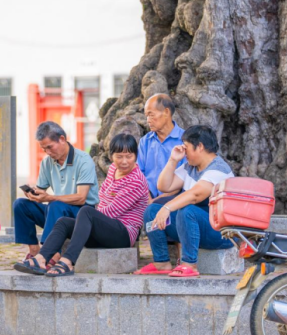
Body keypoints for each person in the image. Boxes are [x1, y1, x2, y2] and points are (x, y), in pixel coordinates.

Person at [14, 134, 149, 277]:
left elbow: (111, 212)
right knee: (64, 222)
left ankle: (67, 262)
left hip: (123, 234)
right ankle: (41, 259)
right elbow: (102, 197)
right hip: (105, 230)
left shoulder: (136, 180)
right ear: (111, 156)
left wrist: (86, 220)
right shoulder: (112, 171)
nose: (124, 161)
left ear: (136, 156)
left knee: (86, 212)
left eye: (129, 156)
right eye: (119, 156)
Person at [135, 125, 235, 277]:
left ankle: (190, 264)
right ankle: (162, 262)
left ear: (199, 146)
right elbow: (164, 186)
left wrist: (167, 208)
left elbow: (196, 195)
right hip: (195, 229)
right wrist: (173, 160)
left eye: (186, 147)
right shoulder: (190, 167)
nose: (184, 151)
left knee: (187, 210)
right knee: (152, 211)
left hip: (220, 234)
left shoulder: (218, 169)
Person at [13, 121, 100, 265]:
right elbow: (42, 189)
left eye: (49, 147)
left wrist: (50, 197)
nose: (47, 152)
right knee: (20, 205)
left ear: (62, 139)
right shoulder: (47, 162)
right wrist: (34, 194)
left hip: (82, 216)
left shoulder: (83, 160)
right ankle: (34, 251)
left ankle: (50, 255)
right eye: (43, 149)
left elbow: (81, 198)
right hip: (56, 212)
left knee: (55, 205)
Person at [138, 93, 186, 202]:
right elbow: (138, 176)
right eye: (146, 116)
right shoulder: (145, 142)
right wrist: (149, 200)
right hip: (145, 199)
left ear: (166, 112)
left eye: (151, 115)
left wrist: (156, 202)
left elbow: (186, 177)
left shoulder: (185, 141)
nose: (148, 120)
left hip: (176, 200)